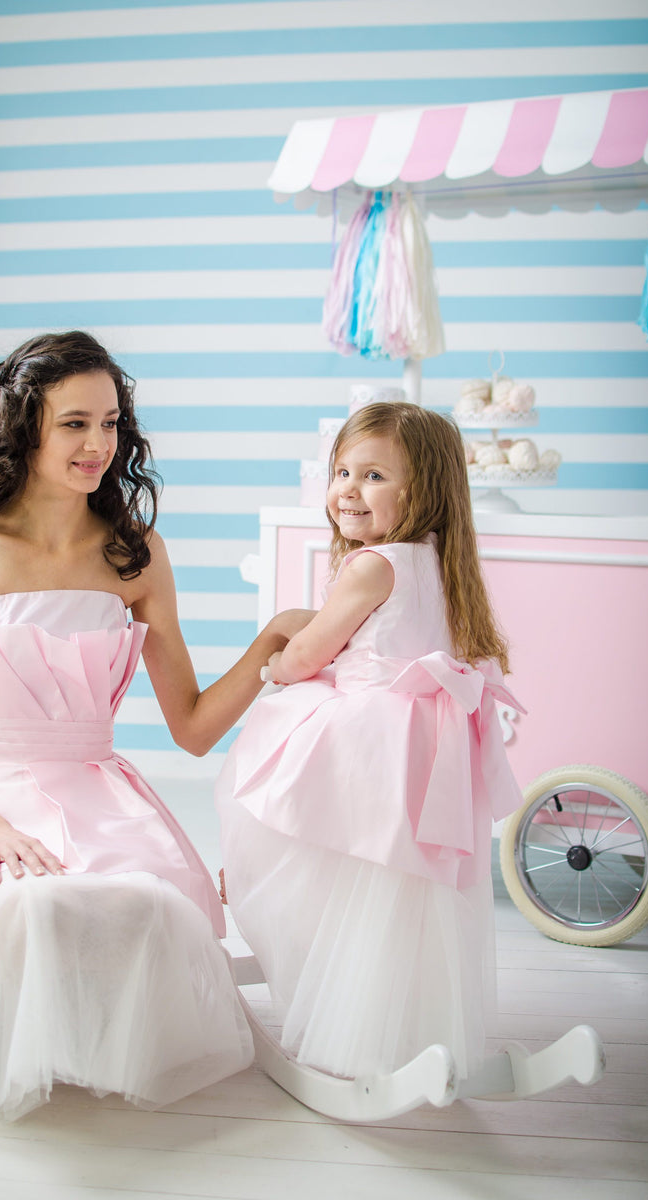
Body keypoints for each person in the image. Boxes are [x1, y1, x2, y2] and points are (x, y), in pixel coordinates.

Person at [0, 330, 310, 1122]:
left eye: (110, 423)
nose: (98, 444)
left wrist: (269, 641)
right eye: (74, 422)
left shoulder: (135, 553)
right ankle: (23, 1040)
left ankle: (91, 1033)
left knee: (145, 904)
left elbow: (190, 726)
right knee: (24, 906)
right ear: (22, 427)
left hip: (96, 793)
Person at [215, 401, 525, 1081]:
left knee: (322, 855)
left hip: (368, 737)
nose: (347, 490)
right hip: (425, 746)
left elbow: (303, 659)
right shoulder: (441, 560)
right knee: (394, 883)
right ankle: (398, 1016)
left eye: (374, 475)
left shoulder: (369, 567)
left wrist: (275, 666)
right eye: (342, 471)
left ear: (423, 491)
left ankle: (331, 1008)